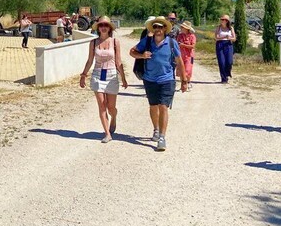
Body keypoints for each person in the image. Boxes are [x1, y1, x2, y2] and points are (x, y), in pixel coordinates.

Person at [129, 16, 187, 151]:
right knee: (153, 106)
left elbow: (180, 62)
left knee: (163, 107)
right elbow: (132, 52)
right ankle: (155, 129)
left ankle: (162, 137)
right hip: (149, 79)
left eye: (160, 27)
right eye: (155, 27)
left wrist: (184, 81)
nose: (158, 29)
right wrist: (142, 55)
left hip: (167, 80)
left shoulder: (172, 43)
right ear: (153, 29)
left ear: (165, 28)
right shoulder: (147, 42)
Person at [79, 16, 129, 143]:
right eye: (101, 25)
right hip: (97, 75)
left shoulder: (115, 42)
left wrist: (123, 78)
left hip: (111, 75)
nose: (103, 27)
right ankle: (107, 133)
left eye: (106, 25)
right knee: (102, 106)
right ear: (98, 28)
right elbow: (90, 60)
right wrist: (83, 75)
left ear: (109, 28)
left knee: (110, 107)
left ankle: (114, 118)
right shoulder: (93, 42)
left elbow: (118, 61)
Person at [214, 15, 236, 83]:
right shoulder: (218, 28)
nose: (223, 21)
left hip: (228, 44)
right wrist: (224, 36)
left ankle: (227, 73)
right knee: (221, 62)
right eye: (222, 19)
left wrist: (230, 38)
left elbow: (234, 38)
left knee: (229, 61)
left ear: (227, 21)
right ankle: (224, 78)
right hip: (220, 44)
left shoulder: (231, 28)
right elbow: (216, 38)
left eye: (225, 20)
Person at [177, 21, 197, 86]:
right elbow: (177, 44)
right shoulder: (180, 36)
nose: (181, 28)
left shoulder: (192, 36)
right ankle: (182, 84)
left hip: (189, 56)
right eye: (181, 27)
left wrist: (183, 45)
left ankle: (187, 82)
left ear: (187, 28)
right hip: (181, 55)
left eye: (182, 27)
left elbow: (192, 46)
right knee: (181, 70)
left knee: (188, 70)